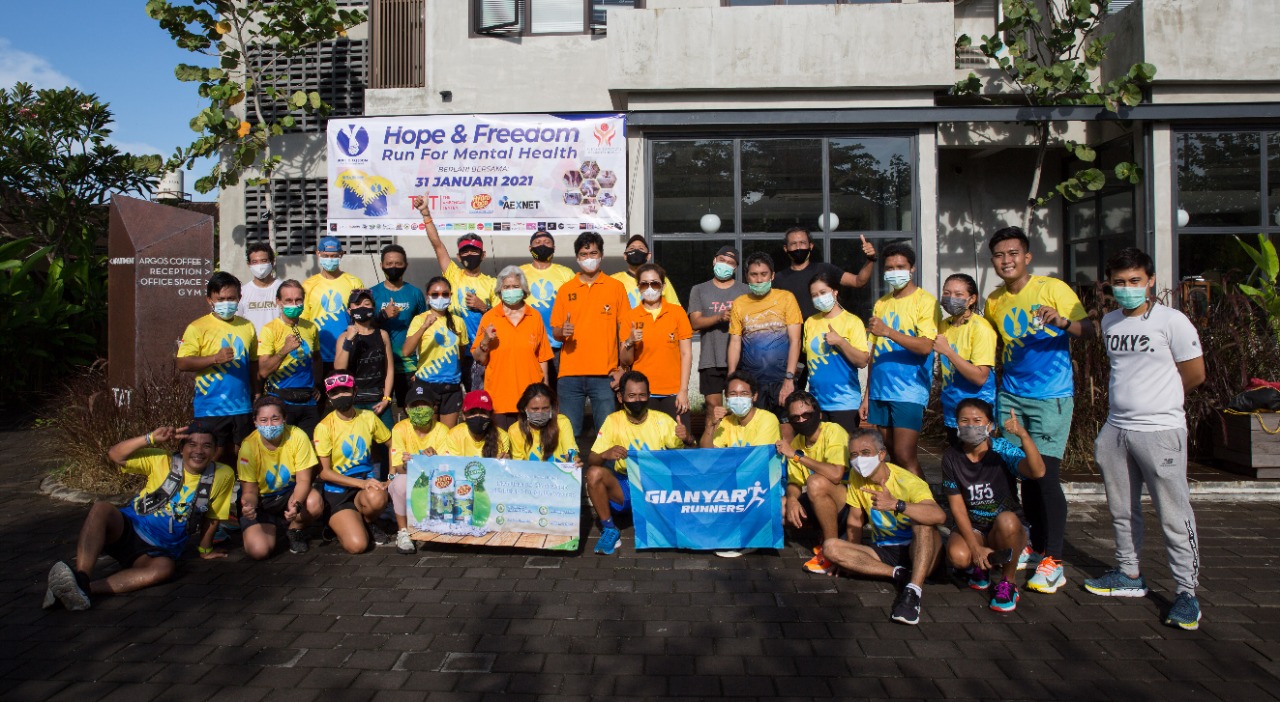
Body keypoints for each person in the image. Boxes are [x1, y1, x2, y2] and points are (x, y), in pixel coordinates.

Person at [1084, 247, 1206, 630]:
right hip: (1117, 430)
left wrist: (1161, 402)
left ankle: (1187, 593)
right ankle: (1129, 573)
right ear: (1110, 285)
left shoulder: (1173, 321)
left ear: (1150, 281)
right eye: (1119, 282)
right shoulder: (1111, 322)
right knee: (1122, 509)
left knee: (1174, 514)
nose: (1128, 288)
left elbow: (1195, 373)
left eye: (1135, 280)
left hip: (1160, 432)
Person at [984, 225, 1092, 594]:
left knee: (1044, 475)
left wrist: (1062, 321)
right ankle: (1034, 542)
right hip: (1011, 397)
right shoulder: (994, 300)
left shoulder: (1053, 288)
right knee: (1021, 472)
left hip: (1051, 397)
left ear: (1027, 257)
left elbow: (1088, 330)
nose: (1006, 260)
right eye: (999, 255)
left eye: (1013, 253)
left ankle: (1054, 561)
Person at [43, 423, 234, 611]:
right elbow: (115, 455)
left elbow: (213, 515)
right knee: (101, 508)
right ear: (181, 448)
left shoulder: (223, 475)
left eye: (206, 446)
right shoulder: (162, 460)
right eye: (192, 444)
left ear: (215, 451)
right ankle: (82, 576)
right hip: (127, 529)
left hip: (158, 550)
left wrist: (205, 549)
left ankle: (82, 589)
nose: (199, 451)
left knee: (164, 570)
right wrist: (150, 438)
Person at [823, 428, 944, 626]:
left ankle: (913, 592)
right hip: (883, 550)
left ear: (881, 454)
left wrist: (896, 505)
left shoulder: (908, 481)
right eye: (854, 455)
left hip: (918, 548)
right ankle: (899, 574)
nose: (859, 460)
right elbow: (855, 519)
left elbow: (939, 516)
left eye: (865, 453)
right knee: (831, 547)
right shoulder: (856, 477)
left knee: (923, 522)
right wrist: (850, 558)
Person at [942, 399, 1045, 613]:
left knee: (1007, 520)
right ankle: (982, 565)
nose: (971, 426)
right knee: (958, 557)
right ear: (956, 424)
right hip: (975, 525)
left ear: (990, 425)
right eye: (964, 421)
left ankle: (1008, 581)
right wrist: (975, 548)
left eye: (977, 420)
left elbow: (1037, 472)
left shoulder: (1002, 449)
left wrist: (1023, 436)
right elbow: (957, 508)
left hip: (1005, 525)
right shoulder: (951, 457)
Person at [586, 371, 689, 555]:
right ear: (620, 397)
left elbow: (686, 457)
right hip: (626, 484)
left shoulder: (662, 419)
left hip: (658, 486)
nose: (637, 400)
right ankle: (609, 529)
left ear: (649, 395)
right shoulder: (612, 420)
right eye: (632, 395)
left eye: (642, 395)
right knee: (594, 473)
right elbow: (592, 460)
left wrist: (688, 438)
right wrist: (606, 454)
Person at [860, 243, 938, 477]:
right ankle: (900, 497)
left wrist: (888, 331)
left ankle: (924, 499)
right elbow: (875, 352)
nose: (895, 272)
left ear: (912, 269)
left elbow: (926, 346)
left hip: (908, 390)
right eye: (889, 268)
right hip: (880, 391)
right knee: (891, 453)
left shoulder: (925, 301)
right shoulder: (882, 303)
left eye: (900, 267)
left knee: (905, 455)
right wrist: (867, 394)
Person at [550, 231, 629, 444]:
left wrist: (622, 368)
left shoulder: (616, 287)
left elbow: (625, 332)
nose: (589, 258)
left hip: (605, 374)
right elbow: (555, 330)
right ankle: (571, 468)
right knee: (568, 435)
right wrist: (563, 331)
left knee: (607, 435)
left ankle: (606, 467)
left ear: (601, 255)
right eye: (584, 254)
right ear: (577, 257)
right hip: (570, 375)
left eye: (593, 253)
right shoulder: (565, 289)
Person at [415, 195, 495, 391]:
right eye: (465, 251)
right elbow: (437, 244)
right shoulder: (452, 274)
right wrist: (425, 213)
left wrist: (483, 307)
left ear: (483, 255)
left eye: (474, 251)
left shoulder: (492, 283)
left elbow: (500, 317)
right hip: (452, 351)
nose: (470, 255)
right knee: (452, 397)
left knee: (479, 398)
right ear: (459, 256)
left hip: (480, 351)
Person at [176, 272, 257, 459]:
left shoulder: (247, 326)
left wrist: (257, 392)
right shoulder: (197, 327)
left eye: (231, 298)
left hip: (242, 406)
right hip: (210, 407)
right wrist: (214, 359)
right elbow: (182, 362)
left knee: (243, 456)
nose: (226, 303)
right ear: (209, 300)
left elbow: (253, 362)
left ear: (239, 298)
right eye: (221, 299)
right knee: (212, 455)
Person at [237, 396, 324, 559]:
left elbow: (304, 480)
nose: (269, 424)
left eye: (275, 418)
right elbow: (249, 491)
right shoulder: (248, 446)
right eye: (263, 420)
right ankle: (274, 526)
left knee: (314, 503)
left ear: (284, 419)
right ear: (255, 422)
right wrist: (249, 505)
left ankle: (294, 529)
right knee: (258, 551)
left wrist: (296, 505)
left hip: (288, 495)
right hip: (262, 501)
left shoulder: (297, 436)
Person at [314, 374, 393, 554]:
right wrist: (361, 483)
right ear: (328, 397)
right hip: (337, 493)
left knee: (379, 497)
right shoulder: (324, 427)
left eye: (345, 390)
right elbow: (324, 473)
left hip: (365, 487)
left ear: (355, 391)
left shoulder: (368, 417)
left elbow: (392, 444)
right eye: (335, 393)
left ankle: (368, 521)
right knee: (357, 546)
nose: (341, 396)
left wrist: (391, 476)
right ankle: (336, 522)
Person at [727, 252, 803, 440]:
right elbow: (735, 342)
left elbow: (795, 340)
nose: (759, 279)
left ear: (772, 275)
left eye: (764, 274)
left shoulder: (786, 298)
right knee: (756, 431)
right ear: (747, 277)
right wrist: (731, 377)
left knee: (786, 431)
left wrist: (789, 379)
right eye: (754, 275)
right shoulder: (739, 303)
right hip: (753, 382)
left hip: (781, 379)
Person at [777, 391, 851, 576]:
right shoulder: (797, 441)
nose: (801, 420)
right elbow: (794, 482)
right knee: (779, 507)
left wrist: (796, 456)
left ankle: (831, 550)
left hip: (848, 504)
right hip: (819, 500)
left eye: (806, 415)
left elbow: (836, 474)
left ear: (818, 413)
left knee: (815, 482)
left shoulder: (833, 431)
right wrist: (792, 499)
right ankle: (821, 532)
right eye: (795, 418)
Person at [472, 266, 553, 430]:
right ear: (499, 291)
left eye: (515, 286)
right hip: (499, 398)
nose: (511, 290)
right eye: (506, 287)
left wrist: (545, 393)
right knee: (501, 445)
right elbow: (478, 358)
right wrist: (485, 341)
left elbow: (542, 358)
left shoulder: (535, 317)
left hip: (530, 401)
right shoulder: (489, 317)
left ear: (523, 289)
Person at [620, 263, 693, 431]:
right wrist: (630, 341)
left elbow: (686, 354)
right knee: (647, 442)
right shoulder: (630, 317)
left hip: (674, 392)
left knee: (680, 440)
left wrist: (683, 391)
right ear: (638, 287)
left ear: (663, 286)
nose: (650, 288)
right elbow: (625, 361)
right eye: (644, 284)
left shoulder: (677, 313)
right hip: (643, 394)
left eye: (654, 283)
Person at [387, 381, 451, 555]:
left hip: (435, 479)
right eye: (415, 405)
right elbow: (399, 468)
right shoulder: (399, 429)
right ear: (406, 409)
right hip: (409, 477)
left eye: (425, 404)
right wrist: (407, 465)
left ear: (433, 407)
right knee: (399, 483)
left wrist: (434, 458)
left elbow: (446, 467)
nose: (420, 409)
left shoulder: (442, 430)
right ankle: (403, 532)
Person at [803, 271, 870, 435]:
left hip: (844, 403)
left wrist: (841, 342)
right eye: (814, 295)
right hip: (816, 403)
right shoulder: (810, 322)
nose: (819, 298)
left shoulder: (852, 322)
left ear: (835, 291)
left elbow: (862, 361)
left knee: (843, 448)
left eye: (823, 292)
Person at [934, 273, 997, 445]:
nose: (951, 298)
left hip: (976, 414)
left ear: (972, 299)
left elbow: (980, 377)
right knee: (957, 458)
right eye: (947, 293)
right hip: (952, 410)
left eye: (958, 294)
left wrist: (948, 352)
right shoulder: (944, 325)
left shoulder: (980, 328)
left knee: (977, 458)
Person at [688, 246, 748, 416]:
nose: (725, 265)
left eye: (730, 262)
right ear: (714, 260)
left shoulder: (746, 291)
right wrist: (719, 317)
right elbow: (695, 322)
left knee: (739, 410)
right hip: (710, 360)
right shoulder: (699, 290)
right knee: (713, 411)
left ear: (735, 268)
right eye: (722, 260)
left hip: (741, 360)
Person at [258, 279, 323, 436]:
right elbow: (263, 371)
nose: (294, 305)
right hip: (281, 400)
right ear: (278, 302)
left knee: (310, 445)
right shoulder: (269, 330)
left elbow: (316, 358)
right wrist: (284, 350)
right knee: (282, 445)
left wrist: (317, 385)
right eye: (288, 300)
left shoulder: (310, 327)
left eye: (298, 300)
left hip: (308, 400)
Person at [404, 276, 467, 428]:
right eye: (435, 294)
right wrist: (424, 327)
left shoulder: (458, 321)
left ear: (451, 296)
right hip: (427, 385)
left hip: (451, 386)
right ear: (428, 297)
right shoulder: (419, 319)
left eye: (445, 294)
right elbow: (406, 351)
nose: (440, 298)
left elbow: (461, 353)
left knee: (448, 434)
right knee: (427, 431)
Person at [772, 227, 877, 319]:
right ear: (786, 248)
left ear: (811, 246)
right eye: (793, 244)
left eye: (802, 243)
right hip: (793, 334)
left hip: (826, 332)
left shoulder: (826, 269)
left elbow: (858, 281)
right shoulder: (778, 279)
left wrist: (870, 259)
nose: (798, 247)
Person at [370, 244, 427, 408]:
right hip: (380, 365)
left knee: (411, 410)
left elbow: (424, 330)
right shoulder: (372, 293)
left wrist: (422, 366)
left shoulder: (415, 293)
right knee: (380, 410)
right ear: (381, 265)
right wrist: (383, 316)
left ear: (405, 265)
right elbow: (364, 327)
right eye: (389, 264)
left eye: (398, 263)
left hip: (408, 365)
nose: (393, 267)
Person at [334, 289, 395, 434]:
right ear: (349, 311)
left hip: (378, 400)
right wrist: (349, 340)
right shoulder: (344, 337)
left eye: (366, 303)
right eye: (357, 304)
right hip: (354, 402)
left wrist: (386, 398)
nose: (362, 307)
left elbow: (389, 369)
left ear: (373, 308)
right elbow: (339, 370)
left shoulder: (382, 335)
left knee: (389, 439)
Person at [302, 236, 364, 375]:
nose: (330, 259)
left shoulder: (354, 282)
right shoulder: (308, 285)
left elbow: (362, 318)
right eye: (326, 256)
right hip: (319, 355)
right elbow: (303, 322)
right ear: (318, 254)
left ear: (341, 254)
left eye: (334, 256)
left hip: (348, 352)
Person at [521, 228, 575, 387]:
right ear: (530, 248)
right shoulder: (520, 272)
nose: (542, 245)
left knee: (560, 388)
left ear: (554, 248)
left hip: (559, 344)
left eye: (547, 242)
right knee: (533, 388)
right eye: (537, 242)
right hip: (529, 343)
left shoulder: (566, 273)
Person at [700, 372, 782, 449]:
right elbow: (707, 453)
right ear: (726, 397)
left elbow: (757, 455)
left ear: (755, 396)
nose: (738, 399)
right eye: (733, 394)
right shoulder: (726, 422)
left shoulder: (767, 419)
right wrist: (710, 426)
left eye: (744, 394)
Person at [509, 383, 579, 463]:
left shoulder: (562, 422)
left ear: (551, 407)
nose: (540, 412)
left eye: (545, 408)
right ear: (525, 408)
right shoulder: (515, 430)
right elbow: (519, 465)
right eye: (535, 409)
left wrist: (573, 462)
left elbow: (570, 455)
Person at [611, 234, 680, 308]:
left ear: (648, 256)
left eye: (641, 248)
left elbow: (676, 308)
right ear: (625, 256)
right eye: (631, 248)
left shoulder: (660, 279)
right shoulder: (613, 280)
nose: (636, 251)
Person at [443, 390, 512, 458]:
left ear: (491, 415)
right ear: (464, 415)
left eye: (483, 412)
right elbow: (454, 463)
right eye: (472, 413)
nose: (478, 417)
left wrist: (505, 462)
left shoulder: (502, 437)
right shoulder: (454, 436)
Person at [237, 242, 283, 333]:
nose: (259, 265)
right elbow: (238, 321)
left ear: (272, 262)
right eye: (255, 262)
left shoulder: (284, 289)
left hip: (280, 341)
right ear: (249, 264)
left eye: (264, 261)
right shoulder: (242, 292)